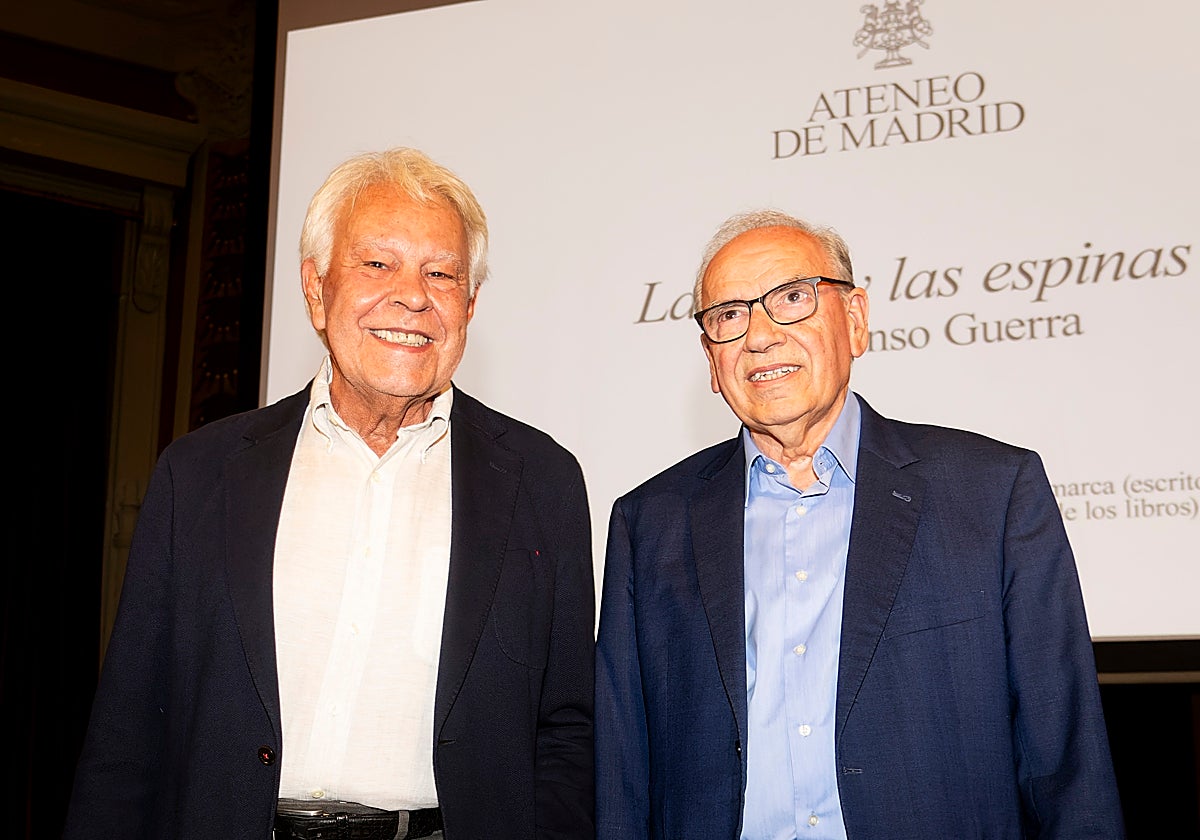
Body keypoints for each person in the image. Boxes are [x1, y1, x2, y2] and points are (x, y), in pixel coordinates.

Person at [64, 147, 595, 840]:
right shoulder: (199, 474)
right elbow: (129, 728)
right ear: (315, 290)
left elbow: (568, 731)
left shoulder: (541, 479)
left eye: (441, 272)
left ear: (468, 304)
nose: (412, 294)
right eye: (377, 264)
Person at [594, 209, 1124, 839]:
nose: (759, 336)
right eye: (729, 316)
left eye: (791, 298)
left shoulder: (993, 494)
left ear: (855, 322)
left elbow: (1068, 762)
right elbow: (624, 775)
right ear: (711, 361)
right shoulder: (647, 522)